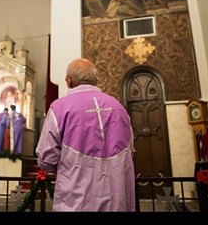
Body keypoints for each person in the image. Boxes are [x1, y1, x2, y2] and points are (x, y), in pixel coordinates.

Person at [35, 58, 136, 212]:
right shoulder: (118, 108)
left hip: (77, 202)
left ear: (68, 81)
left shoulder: (59, 108)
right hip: (117, 201)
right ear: (95, 80)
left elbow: (46, 160)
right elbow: (131, 151)